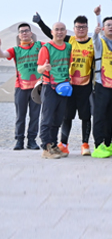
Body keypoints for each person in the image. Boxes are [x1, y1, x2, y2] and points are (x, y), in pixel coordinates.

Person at [0, 23, 42, 150]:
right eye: (21, 31)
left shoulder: (39, 46)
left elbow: (52, 48)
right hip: (21, 87)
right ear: (19, 35)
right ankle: (19, 140)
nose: (24, 33)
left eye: (26, 31)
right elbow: (3, 54)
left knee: (35, 116)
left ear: (31, 33)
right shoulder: (15, 50)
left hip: (37, 88)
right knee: (20, 116)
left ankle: (32, 141)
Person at [91, 8, 112, 158]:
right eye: (108, 25)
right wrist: (98, 16)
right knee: (100, 115)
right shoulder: (100, 42)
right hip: (102, 84)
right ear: (104, 28)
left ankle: (107, 143)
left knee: (111, 116)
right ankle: (98, 145)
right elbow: (95, 38)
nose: (111, 27)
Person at [59, 15, 95, 156]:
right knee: (67, 116)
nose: (81, 29)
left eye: (83, 27)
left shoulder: (92, 43)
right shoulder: (69, 40)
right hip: (69, 86)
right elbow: (54, 34)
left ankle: (85, 144)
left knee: (85, 116)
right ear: (74, 28)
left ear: (87, 28)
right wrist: (40, 22)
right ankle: (63, 144)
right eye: (78, 27)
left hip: (85, 85)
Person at [37, 22, 71, 158]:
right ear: (52, 32)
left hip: (63, 87)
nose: (59, 32)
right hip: (49, 86)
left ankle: (54, 144)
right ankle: (46, 147)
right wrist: (44, 67)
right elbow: (39, 69)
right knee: (47, 118)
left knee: (58, 118)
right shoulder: (46, 48)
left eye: (62, 29)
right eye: (57, 29)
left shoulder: (68, 47)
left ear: (66, 32)